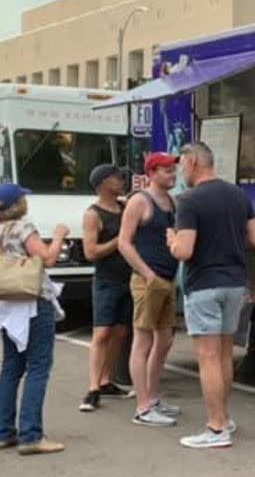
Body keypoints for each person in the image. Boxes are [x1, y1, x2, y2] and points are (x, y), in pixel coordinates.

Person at [168, 141, 255, 449]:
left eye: (182, 162)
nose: (180, 169)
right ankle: (225, 417)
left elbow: (185, 250)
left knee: (207, 357)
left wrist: (171, 241)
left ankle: (216, 426)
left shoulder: (189, 201)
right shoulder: (238, 194)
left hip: (204, 285)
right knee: (223, 354)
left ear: (194, 161)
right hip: (235, 283)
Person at [0, 183, 69, 455]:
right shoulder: (23, 228)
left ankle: (4, 431)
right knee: (39, 365)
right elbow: (48, 259)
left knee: (11, 366)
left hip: (6, 303)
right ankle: (31, 434)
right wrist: (60, 236)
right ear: (18, 205)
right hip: (31, 301)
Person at [118, 152, 181, 427]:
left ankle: (153, 398)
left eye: (173, 170)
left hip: (168, 279)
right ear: (152, 172)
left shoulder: (172, 202)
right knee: (142, 342)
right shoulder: (139, 201)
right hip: (148, 281)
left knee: (164, 341)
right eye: (167, 170)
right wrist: (147, 274)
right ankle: (142, 407)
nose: (172, 175)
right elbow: (124, 242)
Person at [79, 164, 132, 412]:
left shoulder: (125, 208)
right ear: (102, 184)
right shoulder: (93, 214)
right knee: (102, 333)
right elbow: (91, 252)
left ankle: (107, 380)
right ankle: (92, 388)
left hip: (127, 278)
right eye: (116, 178)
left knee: (120, 332)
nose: (121, 180)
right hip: (106, 279)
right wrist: (119, 240)